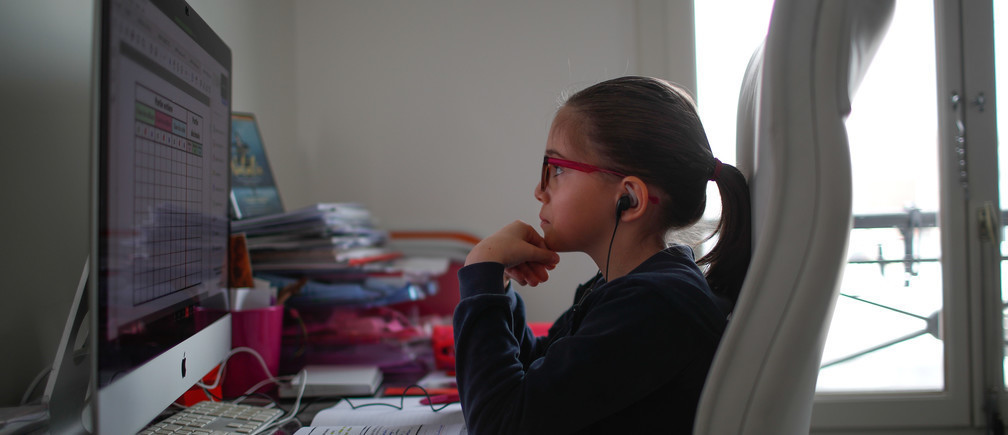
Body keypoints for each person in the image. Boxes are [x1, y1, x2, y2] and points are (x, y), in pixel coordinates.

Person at [451, 76, 752, 434]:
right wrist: (497, 288)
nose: (539, 190)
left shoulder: (653, 307)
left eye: (558, 169)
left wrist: (480, 275)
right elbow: (538, 374)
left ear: (630, 199)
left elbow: (498, 425)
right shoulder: (629, 290)